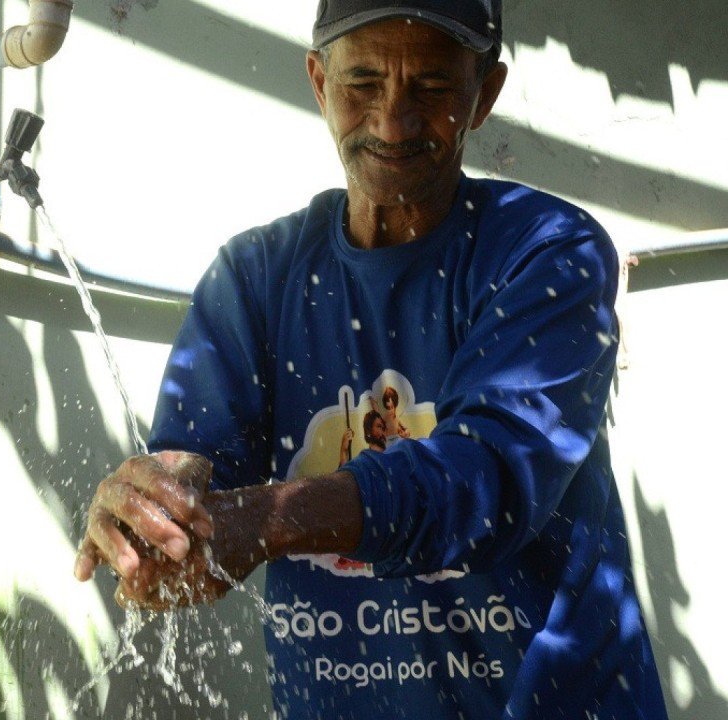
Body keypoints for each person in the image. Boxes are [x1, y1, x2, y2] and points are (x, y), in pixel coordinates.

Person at [73, 1, 668, 717]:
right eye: (362, 84)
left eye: (433, 87)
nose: (392, 123)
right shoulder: (256, 276)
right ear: (319, 82)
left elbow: (485, 478)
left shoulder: (548, 251)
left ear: (484, 94)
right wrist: (156, 511)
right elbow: (198, 467)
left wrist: (266, 519)